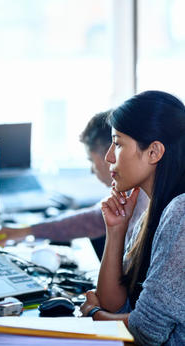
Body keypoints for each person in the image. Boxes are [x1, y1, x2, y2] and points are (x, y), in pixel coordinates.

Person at [80, 90, 185, 345]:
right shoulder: (151, 205)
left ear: (154, 152)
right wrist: (115, 230)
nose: (109, 158)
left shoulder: (180, 213)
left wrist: (94, 314)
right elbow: (116, 304)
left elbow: (145, 331)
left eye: (117, 143)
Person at [0, 111, 148, 255]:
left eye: (91, 160)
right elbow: (95, 217)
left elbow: (92, 221)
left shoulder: (139, 195)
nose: (92, 170)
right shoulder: (132, 193)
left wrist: (25, 231)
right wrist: (26, 230)